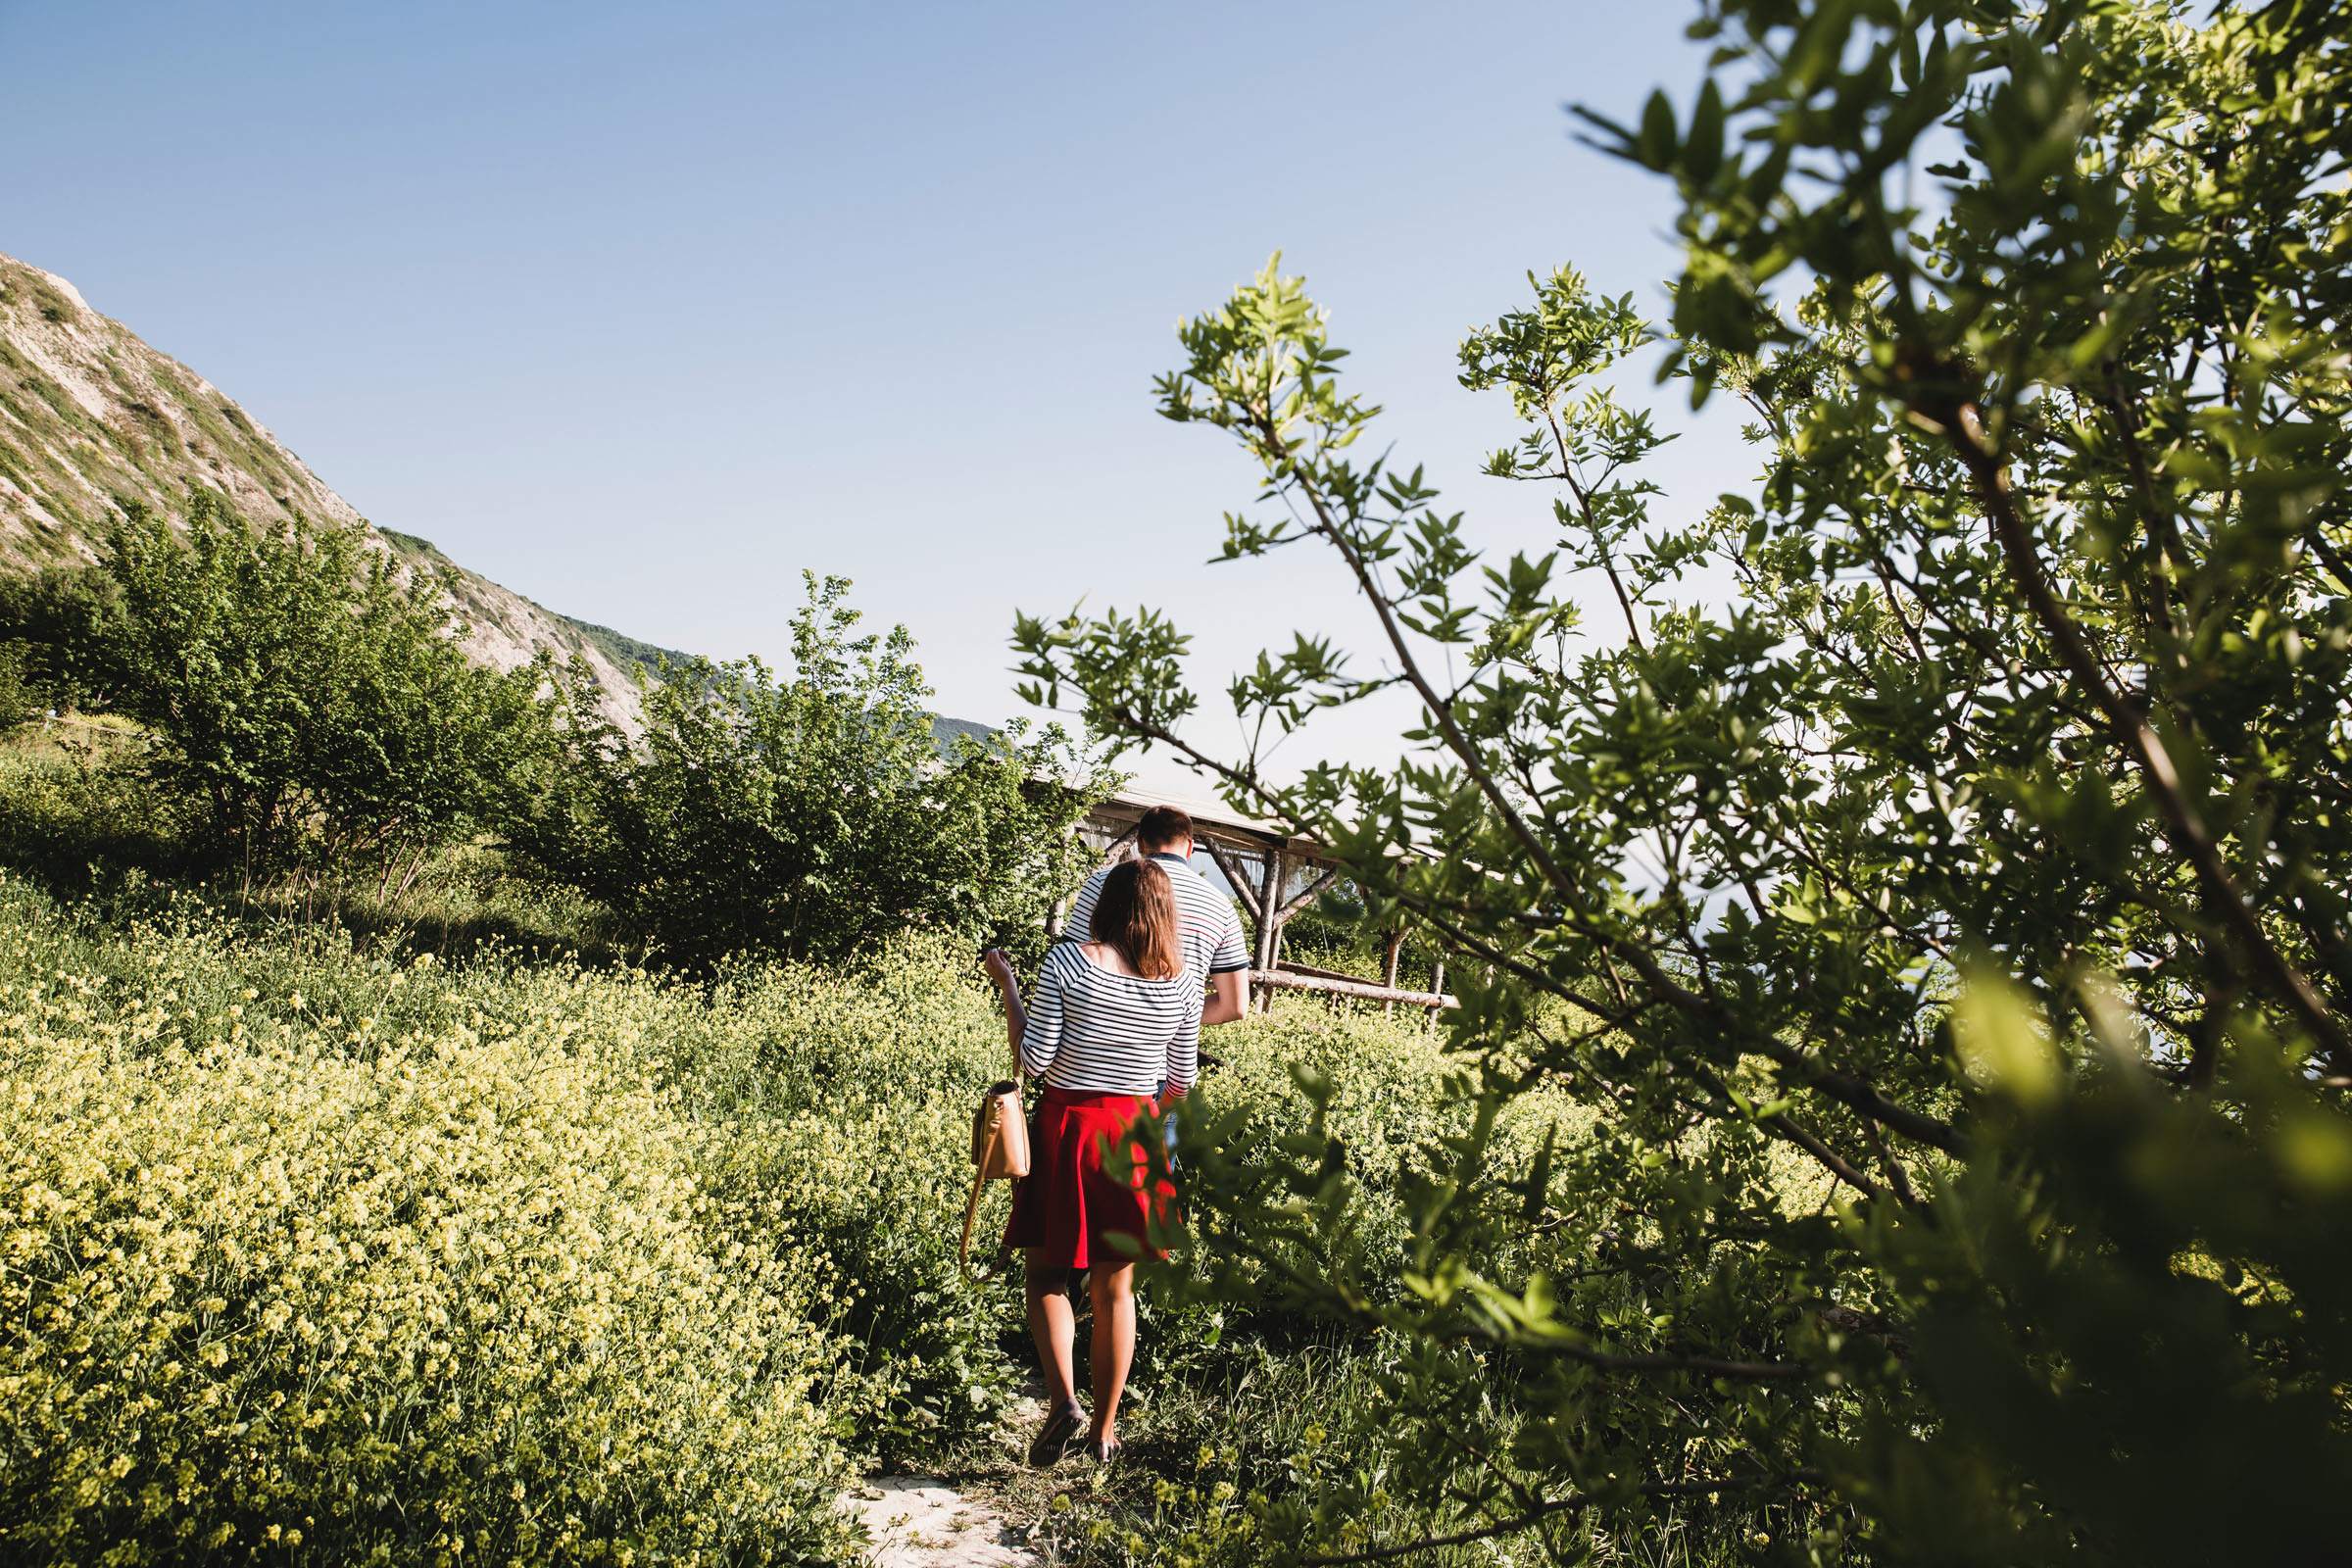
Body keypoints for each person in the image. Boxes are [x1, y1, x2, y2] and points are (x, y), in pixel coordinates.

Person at [981, 858, 1199, 1467]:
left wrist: (1009, 989)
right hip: (1135, 1133)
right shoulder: (1179, 983)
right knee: (1116, 1287)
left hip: (1069, 1128)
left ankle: (1062, 1403)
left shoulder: (1070, 962)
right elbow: (1180, 1079)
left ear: (1105, 902)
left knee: (1048, 1275)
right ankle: (1105, 1432)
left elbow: (1035, 1059)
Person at [1062, 805, 1250, 1027]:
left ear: (1139, 842)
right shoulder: (1220, 905)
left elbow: (1069, 968)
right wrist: (1168, 1019)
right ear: (1190, 847)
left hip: (1093, 1036)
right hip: (1166, 1052)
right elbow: (1236, 1006)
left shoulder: (1101, 883)